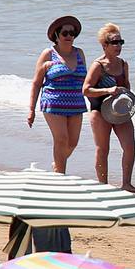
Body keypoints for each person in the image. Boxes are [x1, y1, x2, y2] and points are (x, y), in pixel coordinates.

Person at [26, 15, 88, 174]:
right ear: (56, 35)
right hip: (53, 103)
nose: (69, 36)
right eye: (65, 33)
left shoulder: (79, 53)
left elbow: (85, 81)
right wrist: (31, 109)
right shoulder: (48, 54)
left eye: (72, 33)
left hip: (76, 104)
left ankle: (57, 166)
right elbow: (36, 82)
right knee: (61, 139)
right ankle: (60, 175)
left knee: (72, 142)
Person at [83, 23, 135, 191]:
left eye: (121, 42)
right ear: (104, 45)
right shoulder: (98, 66)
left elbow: (127, 86)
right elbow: (86, 90)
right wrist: (108, 90)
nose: (118, 46)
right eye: (114, 42)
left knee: (129, 146)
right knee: (103, 148)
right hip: (99, 110)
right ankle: (102, 186)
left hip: (120, 111)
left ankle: (126, 184)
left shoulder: (123, 64)